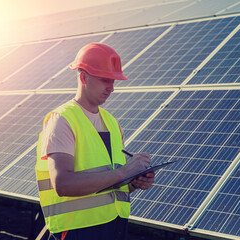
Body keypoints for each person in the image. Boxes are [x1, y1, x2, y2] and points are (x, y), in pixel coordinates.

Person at [36, 43, 155, 240]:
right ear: (83, 77)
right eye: (105, 80)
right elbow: (63, 184)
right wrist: (125, 171)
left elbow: (113, 185)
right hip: (77, 231)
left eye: (113, 81)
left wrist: (134, 181)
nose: (112, 88)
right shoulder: (63, 119)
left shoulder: (112, 123)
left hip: (114, 228)